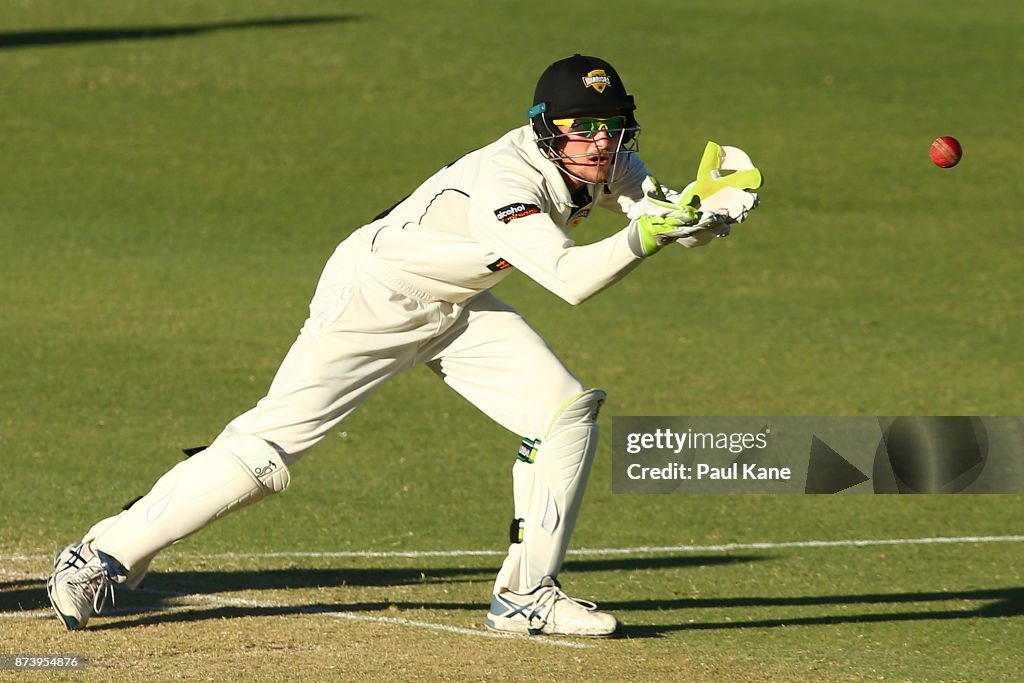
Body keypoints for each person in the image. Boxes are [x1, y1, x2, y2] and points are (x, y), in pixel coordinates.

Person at [47, 54, 760, 637]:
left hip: (454, 302)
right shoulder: (505, 184)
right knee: (264, 456)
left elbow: (660, 213)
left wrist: (710, 212)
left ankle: (525, 597)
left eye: (611, 127)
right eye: (582, 128)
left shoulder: (609, 163)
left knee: (565, 412)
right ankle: (99, 554)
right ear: (545, 129)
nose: (599, 142)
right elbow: (574, 279)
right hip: (376, 296)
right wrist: (648, 235)